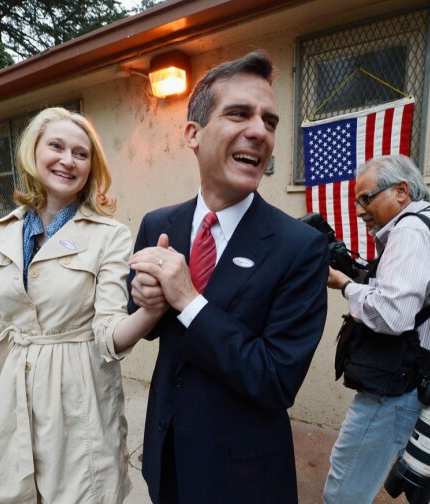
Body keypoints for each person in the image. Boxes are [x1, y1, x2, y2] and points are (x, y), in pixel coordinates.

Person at [128, 51, 330, 504]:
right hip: (167, 454)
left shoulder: (300, 247)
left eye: (270, 121)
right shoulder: (159, 224)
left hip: (243, 477)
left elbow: (276, 379)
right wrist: (147, 301)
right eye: (239, 113)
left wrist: (188, 300)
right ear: (193, 134)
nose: (259, 131)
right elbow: (142, 323)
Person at [0, 107, 163, 503]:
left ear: (91, 166)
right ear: (34, 152)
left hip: (79, 393)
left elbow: (110, 332)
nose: (67, 160)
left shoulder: (108, 235)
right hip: (13, 391)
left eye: (81, 153)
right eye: (56, 146)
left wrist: (153, 309)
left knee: (82, 492)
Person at [323, 154, 430, 504]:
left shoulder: (410, 232)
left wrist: (344, 284)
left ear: (401, 191)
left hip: (400, 389)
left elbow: (392, 315)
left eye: (366, 198)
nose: (359, 210)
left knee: (343, 491)